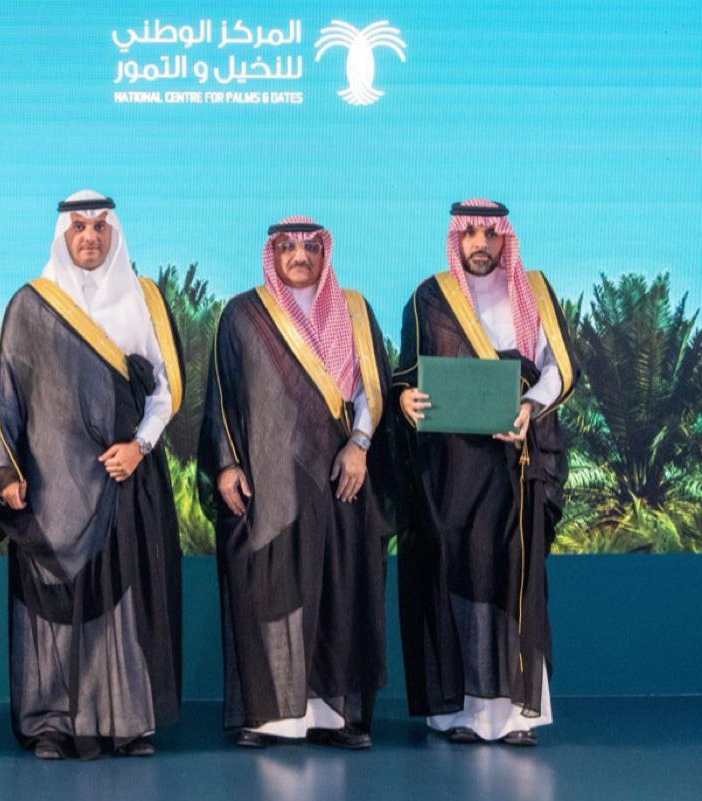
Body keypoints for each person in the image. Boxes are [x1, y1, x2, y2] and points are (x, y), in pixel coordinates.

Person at [0, 190, 184, 759]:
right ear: (63, 235)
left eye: (100, 226)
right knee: (54, 609)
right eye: (79, 227)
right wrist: (6, 471)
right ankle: (52, 723)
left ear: (113, 232)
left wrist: (140, 446)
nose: (90, 237)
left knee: (123, 603)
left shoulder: (144, 298)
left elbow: (166, 390)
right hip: (52, 491)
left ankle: (126, 721)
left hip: (124, 482)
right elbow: (7, 399)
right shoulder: (31, 304)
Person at [198, 216, 393, 750]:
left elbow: (370, 388)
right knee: (272, 591)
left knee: (339, 591)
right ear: (272, 252)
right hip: (268, 484)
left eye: (310, 246)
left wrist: (359, 445)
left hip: (340, 481)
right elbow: (221, 396)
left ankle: (335, 717)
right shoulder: (242, 314)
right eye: (286, 246)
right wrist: (226, 465)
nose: (299, 255)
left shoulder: (354, 310)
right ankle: (271, 717)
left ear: (324, 253)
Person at [394, 199, 579, 746]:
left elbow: (557, 368)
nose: (479, 243)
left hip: (515, 465)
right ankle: (460, 713)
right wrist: (404, 399)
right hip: (451, 470)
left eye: (489, 233)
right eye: (469, 233)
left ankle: (517, 717)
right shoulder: (429, 297)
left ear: (505, 238)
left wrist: (529, 408)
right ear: (457, 238)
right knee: (456, 574)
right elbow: (406, 372)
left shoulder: (535, 292)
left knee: (513, 577)